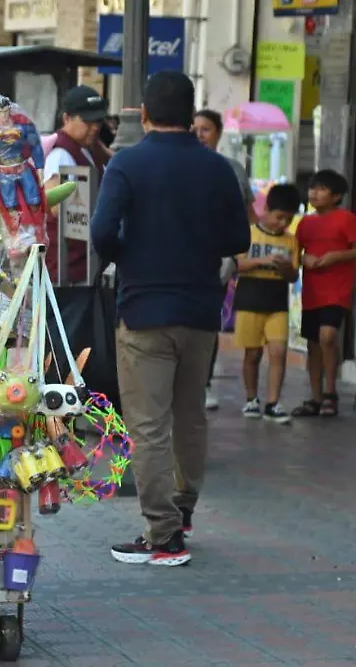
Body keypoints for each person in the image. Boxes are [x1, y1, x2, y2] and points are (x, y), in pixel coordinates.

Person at [89, 71, 249, 566]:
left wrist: (131, 254)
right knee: (189, 417)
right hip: (201, 311)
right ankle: (183, 510)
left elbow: (102, 231)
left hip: (144, 310)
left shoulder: (128, 163)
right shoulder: (218, 168)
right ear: (190, 113)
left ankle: (163, 535)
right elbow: (238, 240)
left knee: (148, 425)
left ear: (145, 113)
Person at [193, 108, 260, 410]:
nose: (200, 135)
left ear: (218, 133)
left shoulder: (233, 169)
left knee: (208, 320)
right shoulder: (183, 165)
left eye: (206, 129)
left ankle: (203, 383)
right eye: (195, 129)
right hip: (185, 255)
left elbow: (248, 215)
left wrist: (240, 255)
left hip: (219, 259)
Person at [234, 183, 300, 424]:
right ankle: (252, 398)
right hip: (250, 298)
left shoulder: (291, 241)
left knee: (278, 352)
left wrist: (287, 268)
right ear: (267, 210)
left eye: (288, 220)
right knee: (252, 353)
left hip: (277, 302)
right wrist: (263, 261)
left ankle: (273, 402)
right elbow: (238, 265)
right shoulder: (249, 234)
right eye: (279, 217)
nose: (282, 224)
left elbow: (294, 275)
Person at [292, 170, 356, 418]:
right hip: (312, 292)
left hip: (337, 290)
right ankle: (316, 397)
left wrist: (336, 256)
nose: (314, 193)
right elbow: (294, 253)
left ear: (337, 196)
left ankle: (331, 392)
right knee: (313, 344)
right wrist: (304, 259)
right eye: (312, 188)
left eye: (321, 189)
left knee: (328, 336)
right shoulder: (305, 223)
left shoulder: (347, 219)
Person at [43, 86, 110, 283]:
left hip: (85, 264)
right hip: (67, 268)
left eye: (98, 121)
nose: (95, 127)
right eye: (87, 121)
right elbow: (55, 206)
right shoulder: (60, 154)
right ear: (67, 118)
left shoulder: (87, 149)